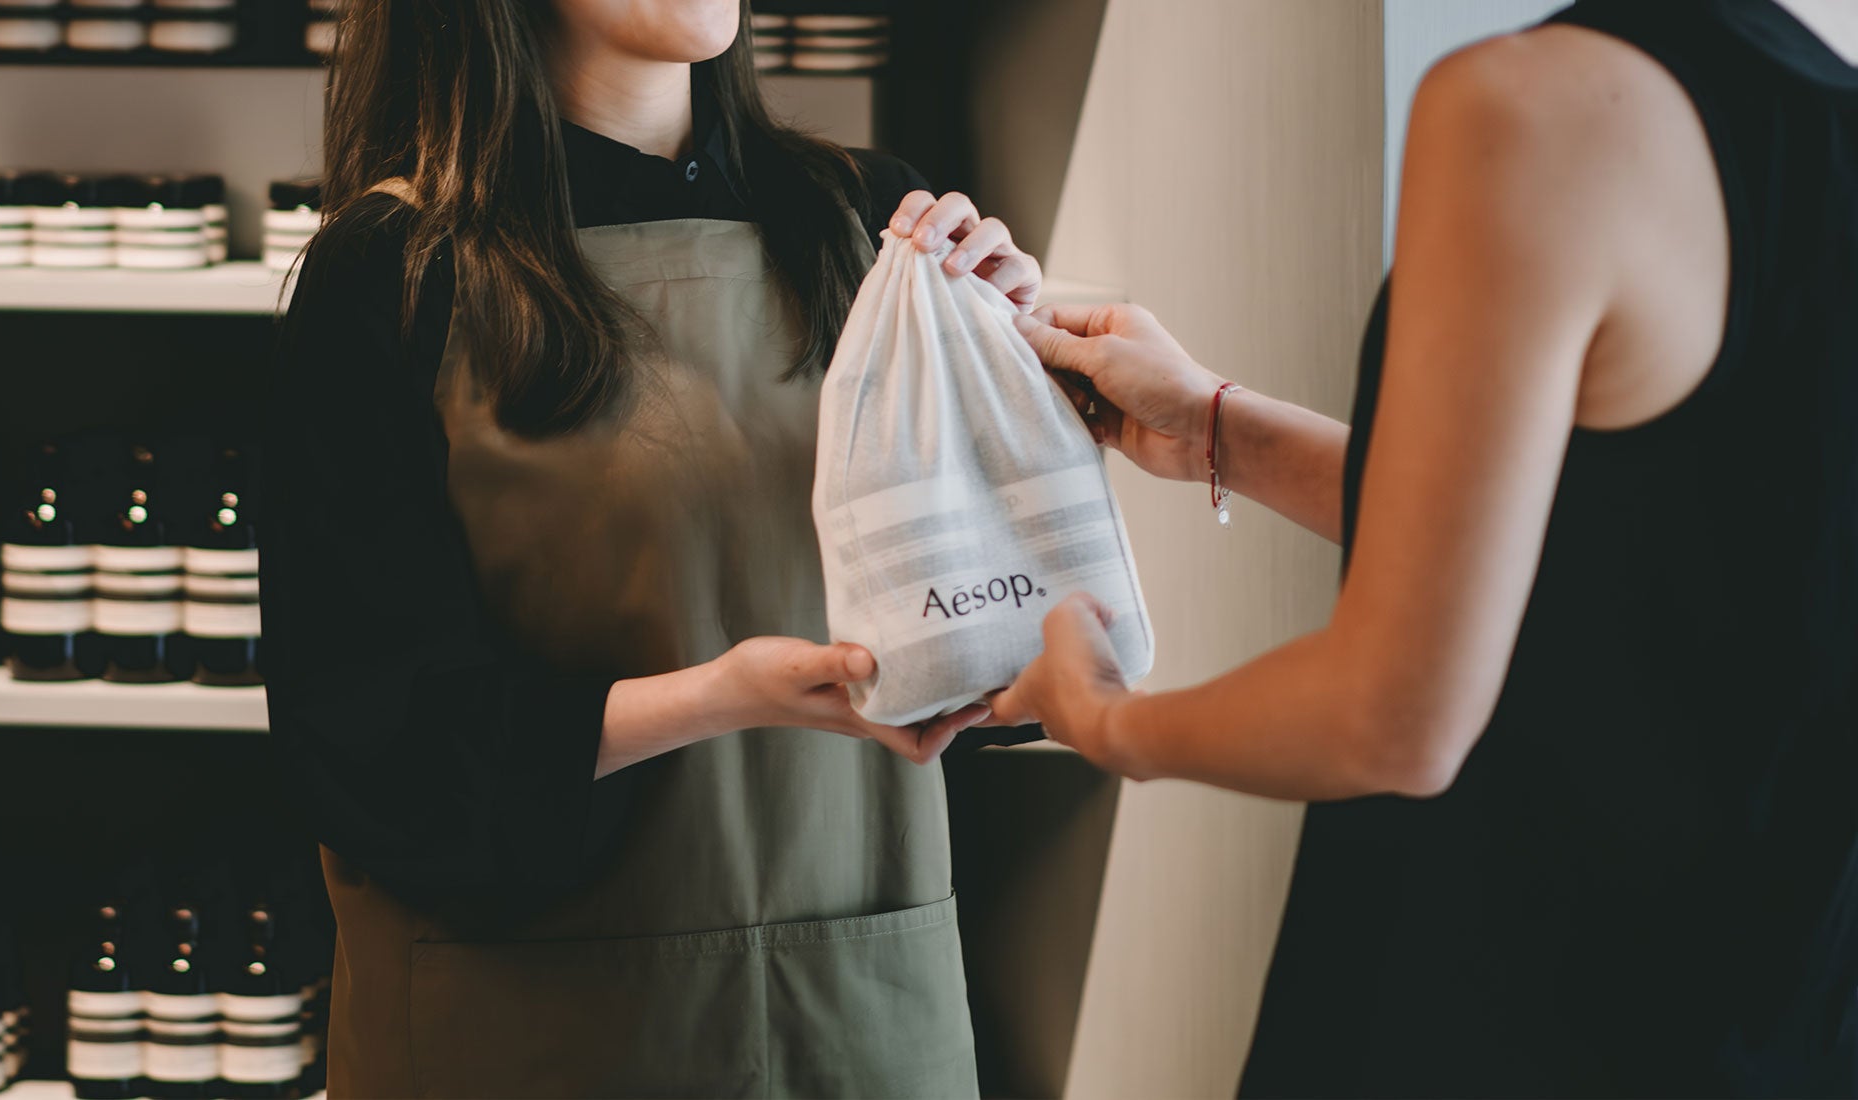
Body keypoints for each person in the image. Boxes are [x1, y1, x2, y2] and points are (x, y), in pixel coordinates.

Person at [982, 0, 1858, 1094]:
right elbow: (1634, 544)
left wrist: (1109, 722)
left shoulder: (1520, 109)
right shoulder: (1822, 117)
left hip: (1512, 1006)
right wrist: (1218, 426)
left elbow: (1394, 721)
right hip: (1778, 1019)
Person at [261, 0, 1044, 1094]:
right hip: (542, 1034)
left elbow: (1000, 637)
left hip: (863, 1018)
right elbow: (365, 743)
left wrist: (1015, 377)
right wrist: (721, 694)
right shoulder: (394, 271)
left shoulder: (863, 218)